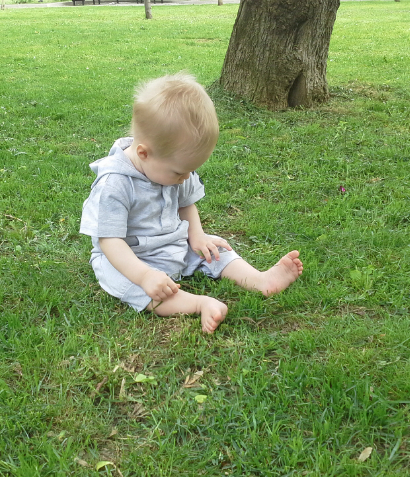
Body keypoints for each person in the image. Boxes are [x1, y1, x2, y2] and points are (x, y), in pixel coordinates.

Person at [80, 73, 303, 333]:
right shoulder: (114, 185)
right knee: (129, 283)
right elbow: (110, 241)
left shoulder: (172, 166)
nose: (186, 178)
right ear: (143, 153)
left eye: (190, 170)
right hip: (130, 257)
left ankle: (259, 279)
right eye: (179, 172)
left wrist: (197, 236)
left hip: (174, 243)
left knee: (213, 248)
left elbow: (186, 204)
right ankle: (199, 303)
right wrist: (144, 275)